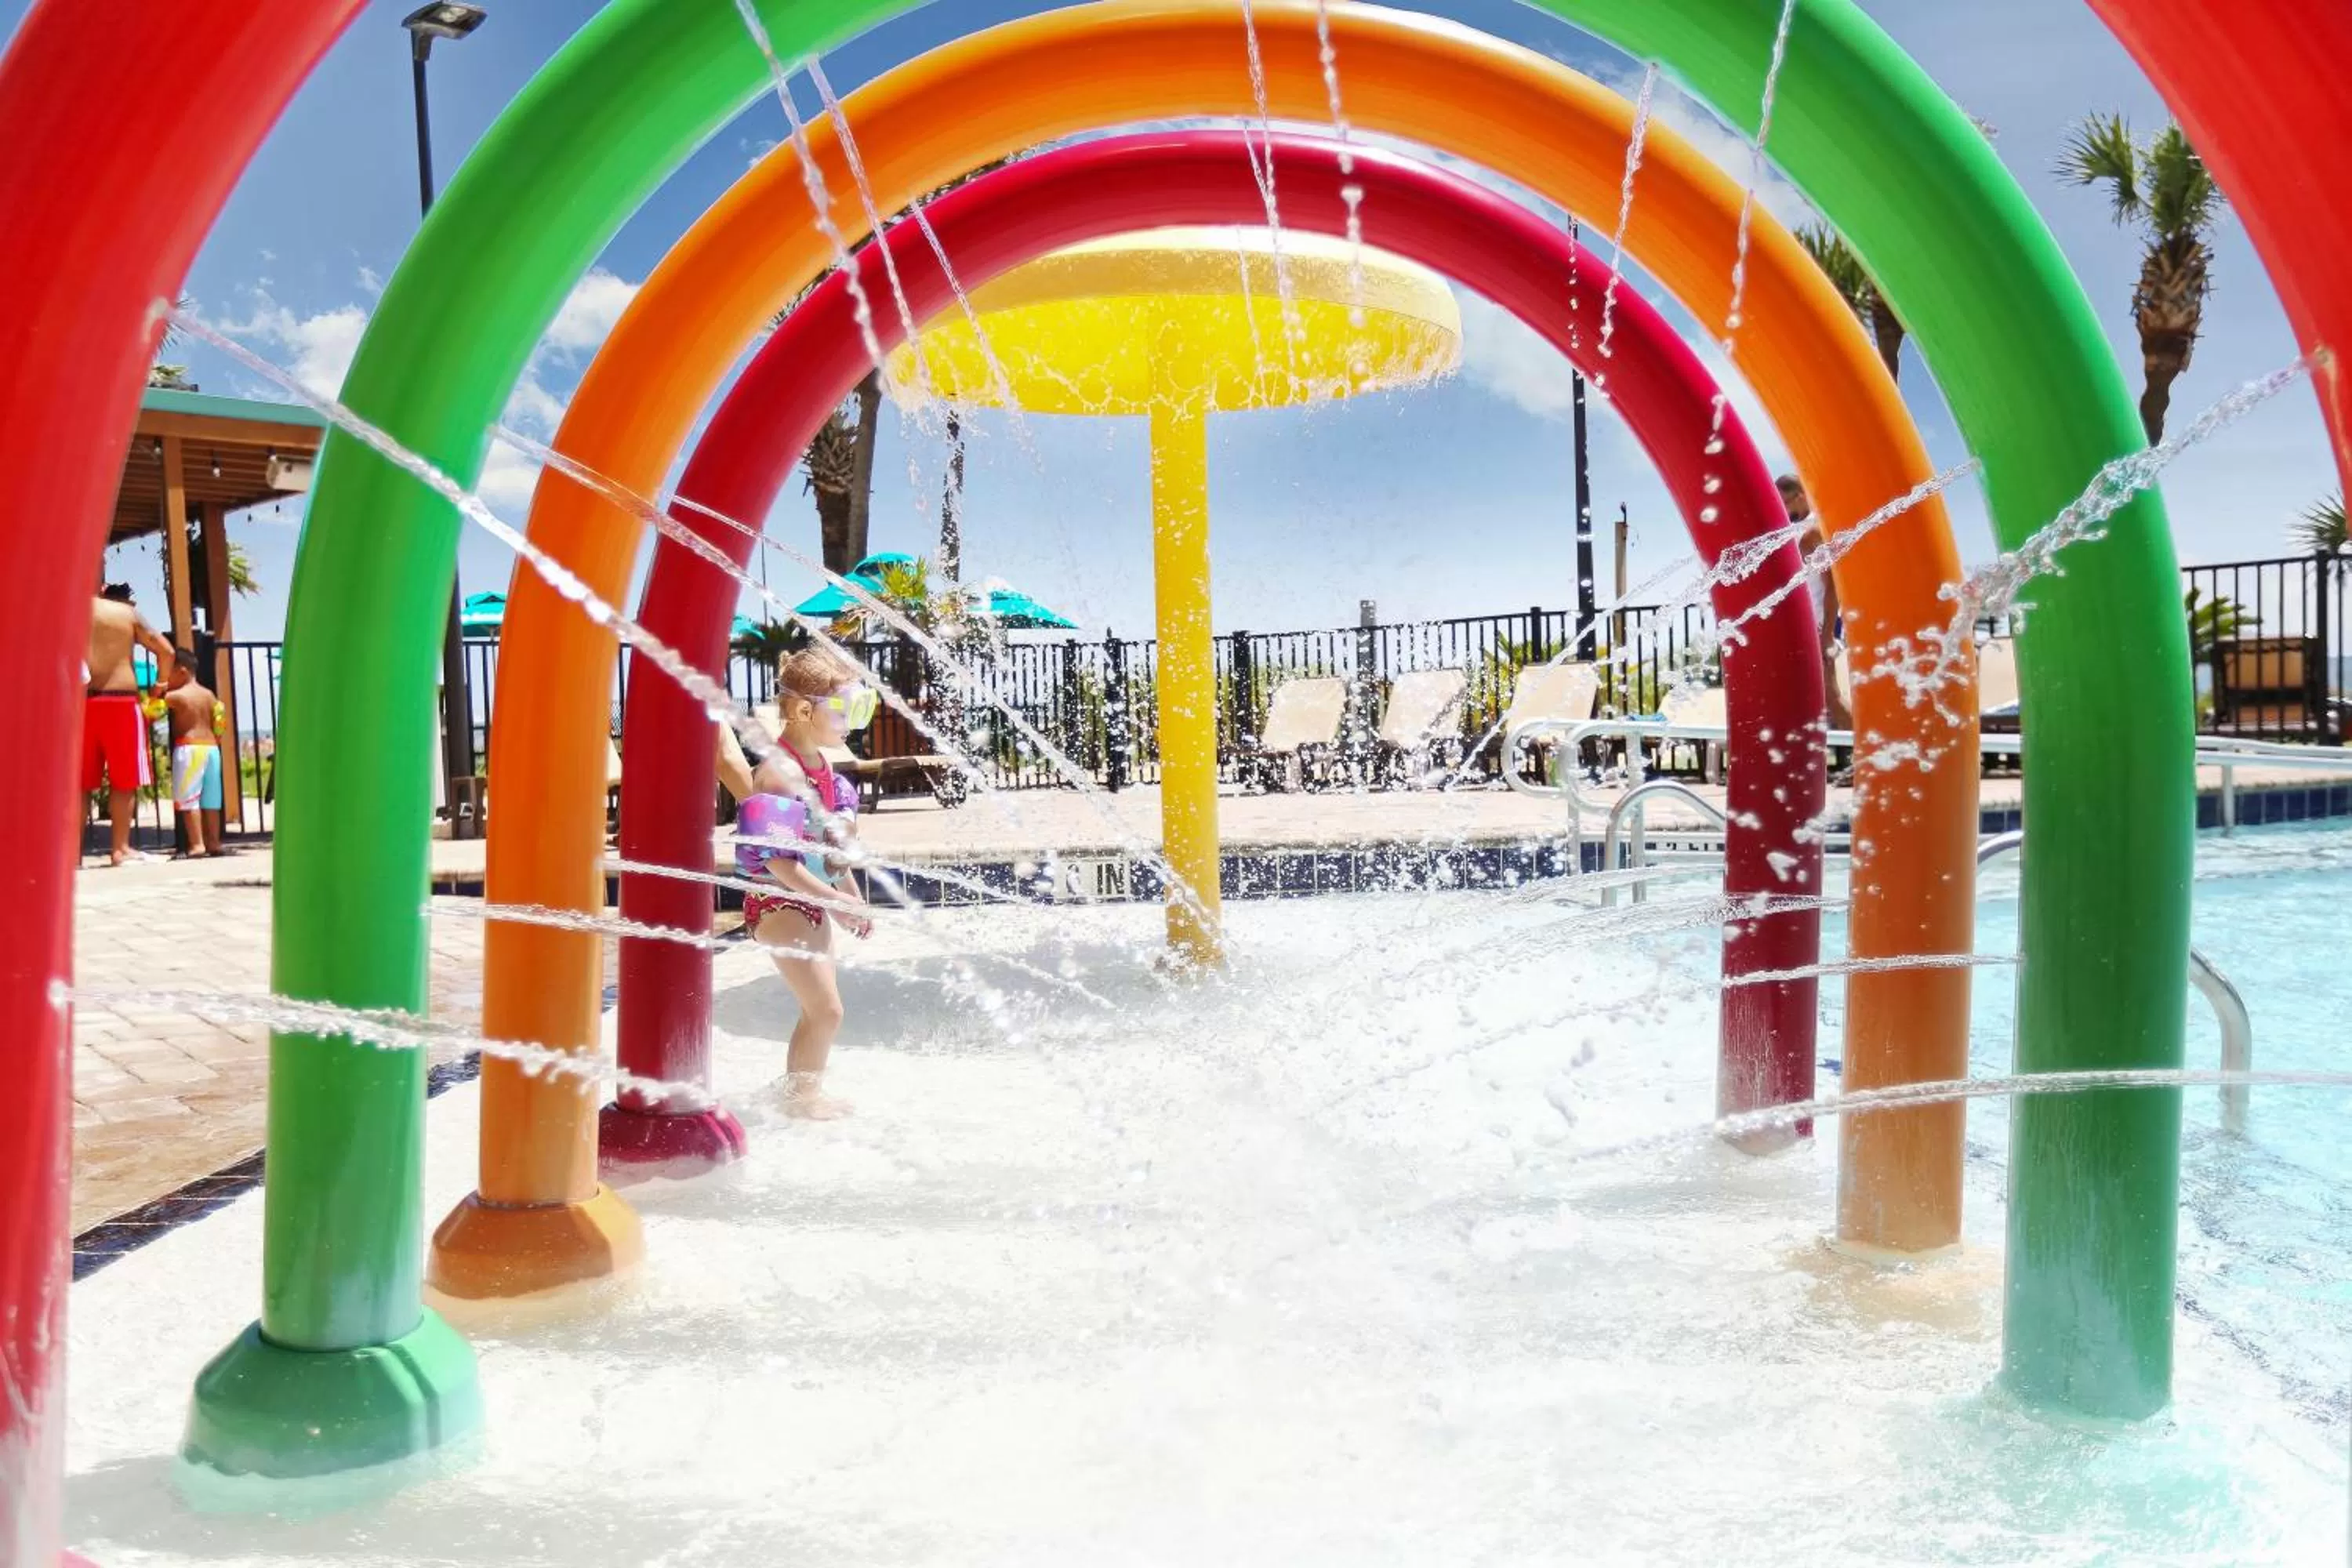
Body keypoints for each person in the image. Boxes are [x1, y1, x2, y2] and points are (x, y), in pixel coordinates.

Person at [733, 648, 880, 1120]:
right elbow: (781, 865)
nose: (851, 721)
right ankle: (802, 1101)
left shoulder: (824, 771)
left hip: (810, 900)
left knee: (819, 1012)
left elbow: (830, 855)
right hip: (778, 903)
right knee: (827, 1011)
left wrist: (852, 897)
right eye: (844, 709)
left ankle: (800, 1096)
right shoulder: (779, 773)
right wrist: (837, 901)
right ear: (802, 710)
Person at [83, 583, 175, 866]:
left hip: (82, 702)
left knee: (80, 785)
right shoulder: (127, 614)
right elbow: (167, 651)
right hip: (121, 702)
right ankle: (120, 849)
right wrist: (160, 685)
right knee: (125, 781)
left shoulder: (75, 610)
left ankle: (71, 855)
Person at [1777, 474, 1853, 732]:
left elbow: (1833, 587)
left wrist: (1828, 634)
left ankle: (1878, 762)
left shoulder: (1812, 534)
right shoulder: (1802, 531)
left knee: (1833, 700)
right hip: (1811, 627)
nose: (1783, 511)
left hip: (1821, 626)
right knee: (1803, 702)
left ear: (1799, 496)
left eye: (1784, 503)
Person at [158, 648, 228, 858]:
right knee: (212, 800)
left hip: (189, 749)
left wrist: (157, 691)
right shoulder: (209, 695)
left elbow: (151, 711)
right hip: (212, 750)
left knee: (189, 800)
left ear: (182, 671)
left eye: (167, 672)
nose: (164, 677)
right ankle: (214, 842)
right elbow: (220, 723)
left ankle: (197, 844)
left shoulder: (177, 696)